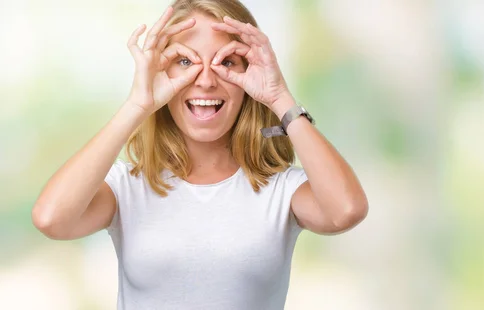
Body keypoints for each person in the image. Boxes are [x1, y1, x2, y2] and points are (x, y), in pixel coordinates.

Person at [31, 0, 368, 309]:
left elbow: (346, 210)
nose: (205, 80)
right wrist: (137, 104)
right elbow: (51, 219)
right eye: (185, 61)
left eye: (227, 62)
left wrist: (280, 98)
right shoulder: (127, 187)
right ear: (162, 70)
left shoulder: (281, 190)